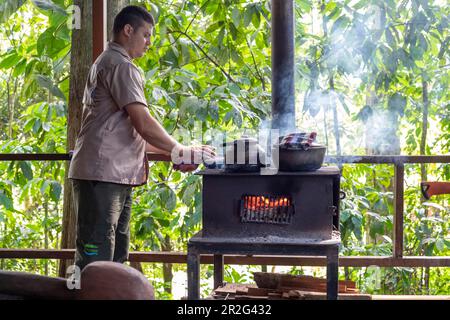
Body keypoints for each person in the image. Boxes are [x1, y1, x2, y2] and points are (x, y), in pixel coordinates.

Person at [68, 5, 214, 271]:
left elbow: (131, 133)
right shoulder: (120, 66)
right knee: (97, 259)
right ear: (127, 30)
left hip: (110, 175)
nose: (149, 43)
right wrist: (180, 149)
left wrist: (173, 152)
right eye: (146, 35)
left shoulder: (107, 61)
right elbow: (144, 124)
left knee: (115, 258)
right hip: (102, 176)